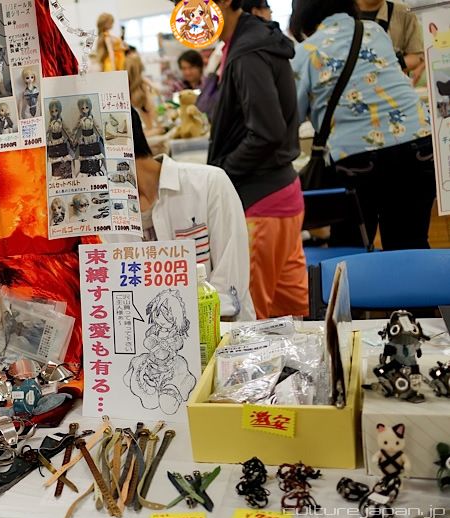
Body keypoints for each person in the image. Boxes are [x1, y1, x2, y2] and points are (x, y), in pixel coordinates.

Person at [291, 0, 434, 250]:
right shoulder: (374, 30)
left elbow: (292, 116)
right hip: (419, 145)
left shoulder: (304, 53)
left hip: (357, 159)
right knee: (410, 244)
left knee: (351, 247)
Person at [207, 0, 307, 319]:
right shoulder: (249, 41)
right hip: (281, 195)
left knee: (249, 319)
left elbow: (266, 132)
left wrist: (221, 175)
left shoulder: (247, 51)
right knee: (292, 313)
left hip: (260, 202)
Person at [105, 109, 256, 321]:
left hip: (221, 331)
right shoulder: (103, 215)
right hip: (148, 337)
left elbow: (230, 286)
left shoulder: (209, 183)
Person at [356, 0, 425, 82]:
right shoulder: (343, 14)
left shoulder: (404, 13)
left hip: (391, 84)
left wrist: (385, 68)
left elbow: (416, 56)